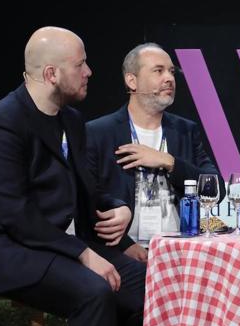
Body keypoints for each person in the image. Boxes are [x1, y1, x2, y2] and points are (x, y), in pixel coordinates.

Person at [0, 27, 146, 326]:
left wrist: (120, 209)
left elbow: (89, 189)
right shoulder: (0, 125)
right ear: (51, 74)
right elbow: (17, 216)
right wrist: (85, 255)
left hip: (60, 247)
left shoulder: (71, 120)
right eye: (81, 65)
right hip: (9, 250)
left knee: (151, 288)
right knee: (95, 291)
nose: (89, 72)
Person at [86, 42, 224, 261]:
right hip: (121, 251)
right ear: (132, 80)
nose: (169, 78)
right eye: (158, 71)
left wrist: (169, 162)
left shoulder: (185, 130)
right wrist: (124, 246)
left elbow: (215, 188)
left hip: (179, 247)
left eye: (171, 72)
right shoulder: (99, 132)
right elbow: (87, 198)